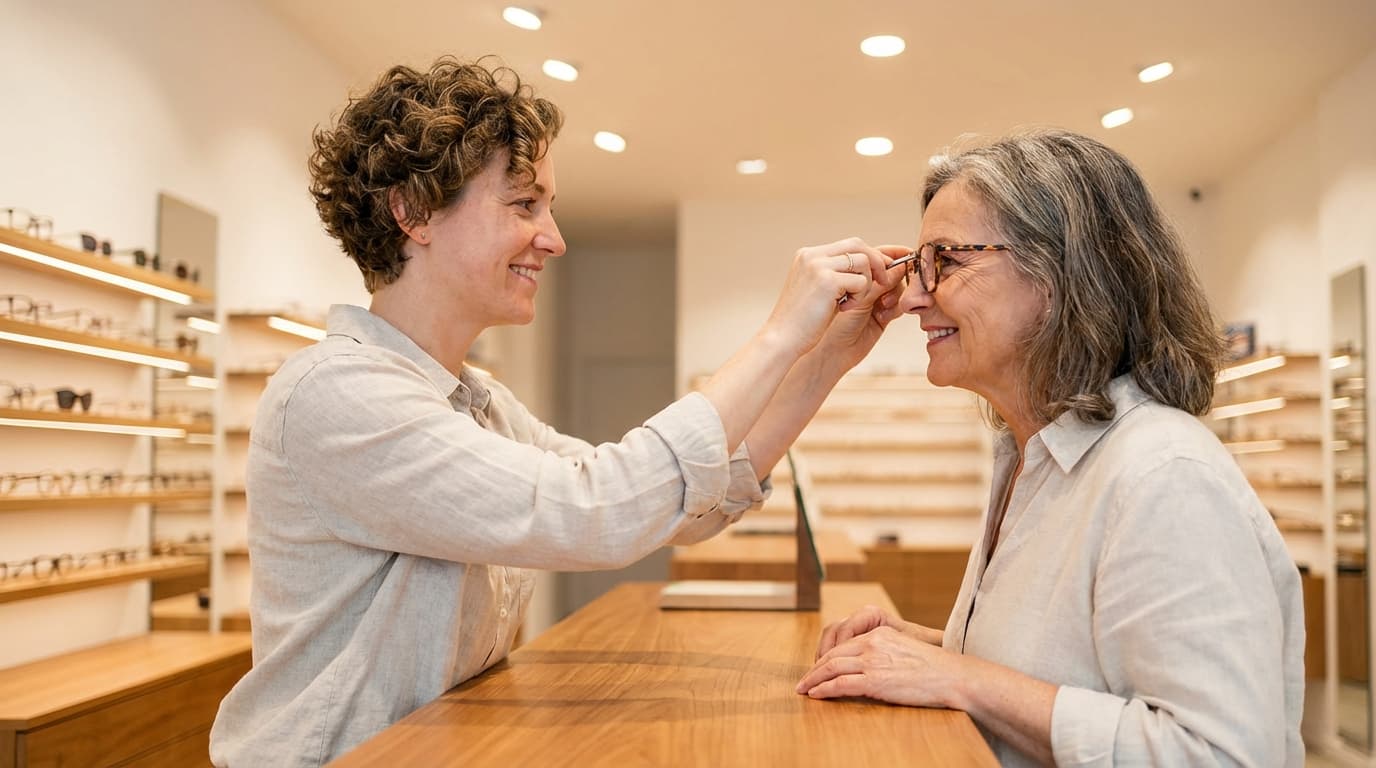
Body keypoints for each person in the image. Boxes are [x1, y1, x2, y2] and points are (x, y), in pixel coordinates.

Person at [208, 57, 905, 767]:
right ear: (413, 211)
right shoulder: (338, 393)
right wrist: (780, 334)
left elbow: (681, 507)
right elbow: (597, 511)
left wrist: (826, 358)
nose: (553, 238)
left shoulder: (478, 405)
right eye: (523, 204)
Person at [797, 128, 1304, 767]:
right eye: (917, 267)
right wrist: (933, 649)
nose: (913, 298)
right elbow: (1071, 669)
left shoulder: (1164, 475)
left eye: (945, 261)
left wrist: (957, 676)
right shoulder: (1030, 458)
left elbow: (1219, 754)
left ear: (1062, 272)